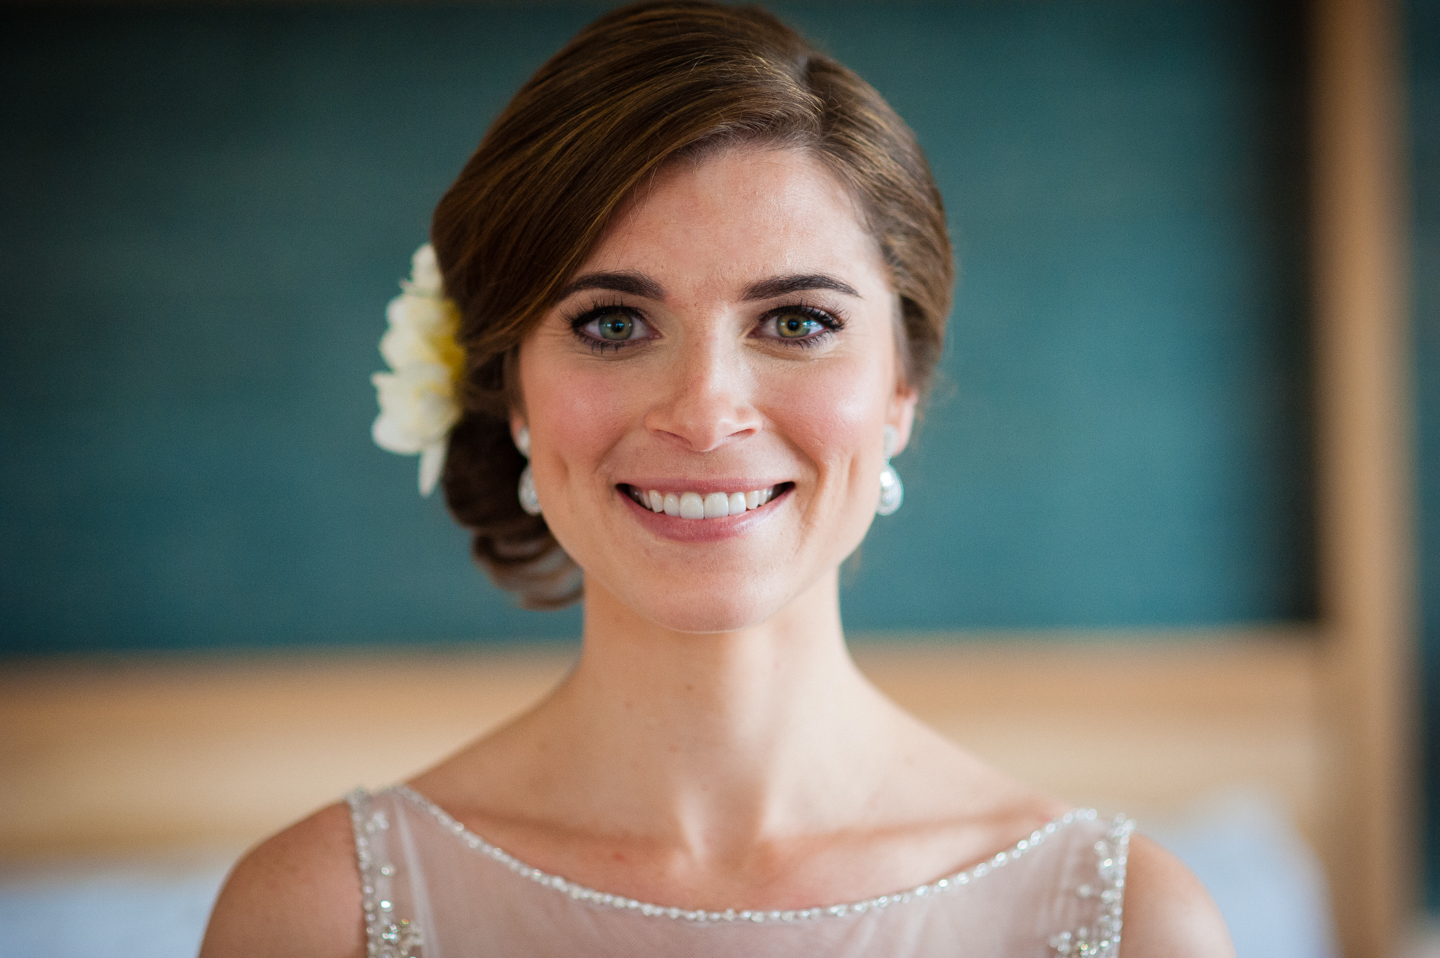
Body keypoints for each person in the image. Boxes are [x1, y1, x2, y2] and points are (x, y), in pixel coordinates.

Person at [201, 3, 1234, 955]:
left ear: (900, 386)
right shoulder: (315, 914)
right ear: (513, 389)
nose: (702, 412)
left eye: (797, 323)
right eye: (612, 323)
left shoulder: (1130, 923)